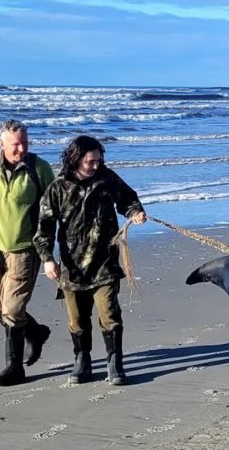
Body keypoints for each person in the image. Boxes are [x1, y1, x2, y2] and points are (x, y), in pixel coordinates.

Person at [34, 135, 147, 385]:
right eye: (90, 161)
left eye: (99, 160)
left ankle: (114, 364)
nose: (96, 165)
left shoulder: (107, 179)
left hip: (105, 262)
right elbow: (44, 227)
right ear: (76, 159)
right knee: (77, 319)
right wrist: (47, 259)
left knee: (109, 314)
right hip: (72, 267)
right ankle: (82, 361)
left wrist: (135, 211)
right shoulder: (58, 187)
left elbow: (127, 198)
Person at [0, 119, 55, 386]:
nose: (21, 149)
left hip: (26, 251)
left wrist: (48, 250)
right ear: (1, 143)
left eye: (25, 143)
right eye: (15, 144)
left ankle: (14, 368)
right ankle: (36, 332)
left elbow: (53, 211)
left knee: (13, 310)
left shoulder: (39, 168)